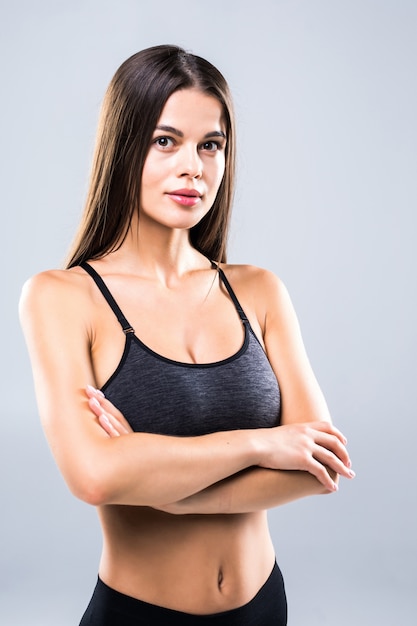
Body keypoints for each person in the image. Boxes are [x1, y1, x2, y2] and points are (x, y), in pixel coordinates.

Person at [19, 44, 354, 625]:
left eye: (211, 144)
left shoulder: (259, 290)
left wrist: (163, 487)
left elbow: (316, 463)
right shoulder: (62, 297)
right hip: (138, 614)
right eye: (165, 141)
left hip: (263, 607)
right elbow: (94, 474)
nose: (193, 167)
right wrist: (258, 443)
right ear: (124, 147)